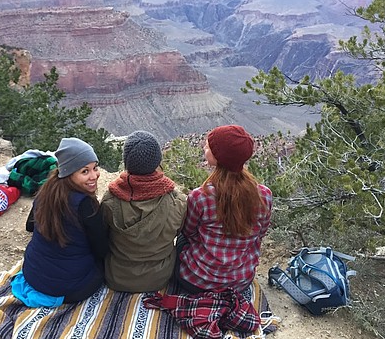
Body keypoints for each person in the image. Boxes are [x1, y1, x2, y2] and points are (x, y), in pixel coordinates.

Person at [12, 137, 109, 307]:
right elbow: (101, 249)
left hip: (32, 275)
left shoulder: (46, 190)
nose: (94, 176)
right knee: (103, 267)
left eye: (95, 168)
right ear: (69, 173)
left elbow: (30, 226)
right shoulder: (85, 205)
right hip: (68, 289)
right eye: (85, 171)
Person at [176, 125, 272, 294]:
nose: (205, 146)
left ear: (219, 157)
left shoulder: (200, 196)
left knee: (181, 239)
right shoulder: (264, 195)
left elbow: (189, 232)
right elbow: (260, 233)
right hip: (240, 282)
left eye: (209, 146)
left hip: (198, 281)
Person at [101, 131, 186, 292]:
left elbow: (103, 237)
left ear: (126, 161)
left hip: (118, 277)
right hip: (160, 278)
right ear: (157, 161)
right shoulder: (178, 201)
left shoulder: (110, 201)